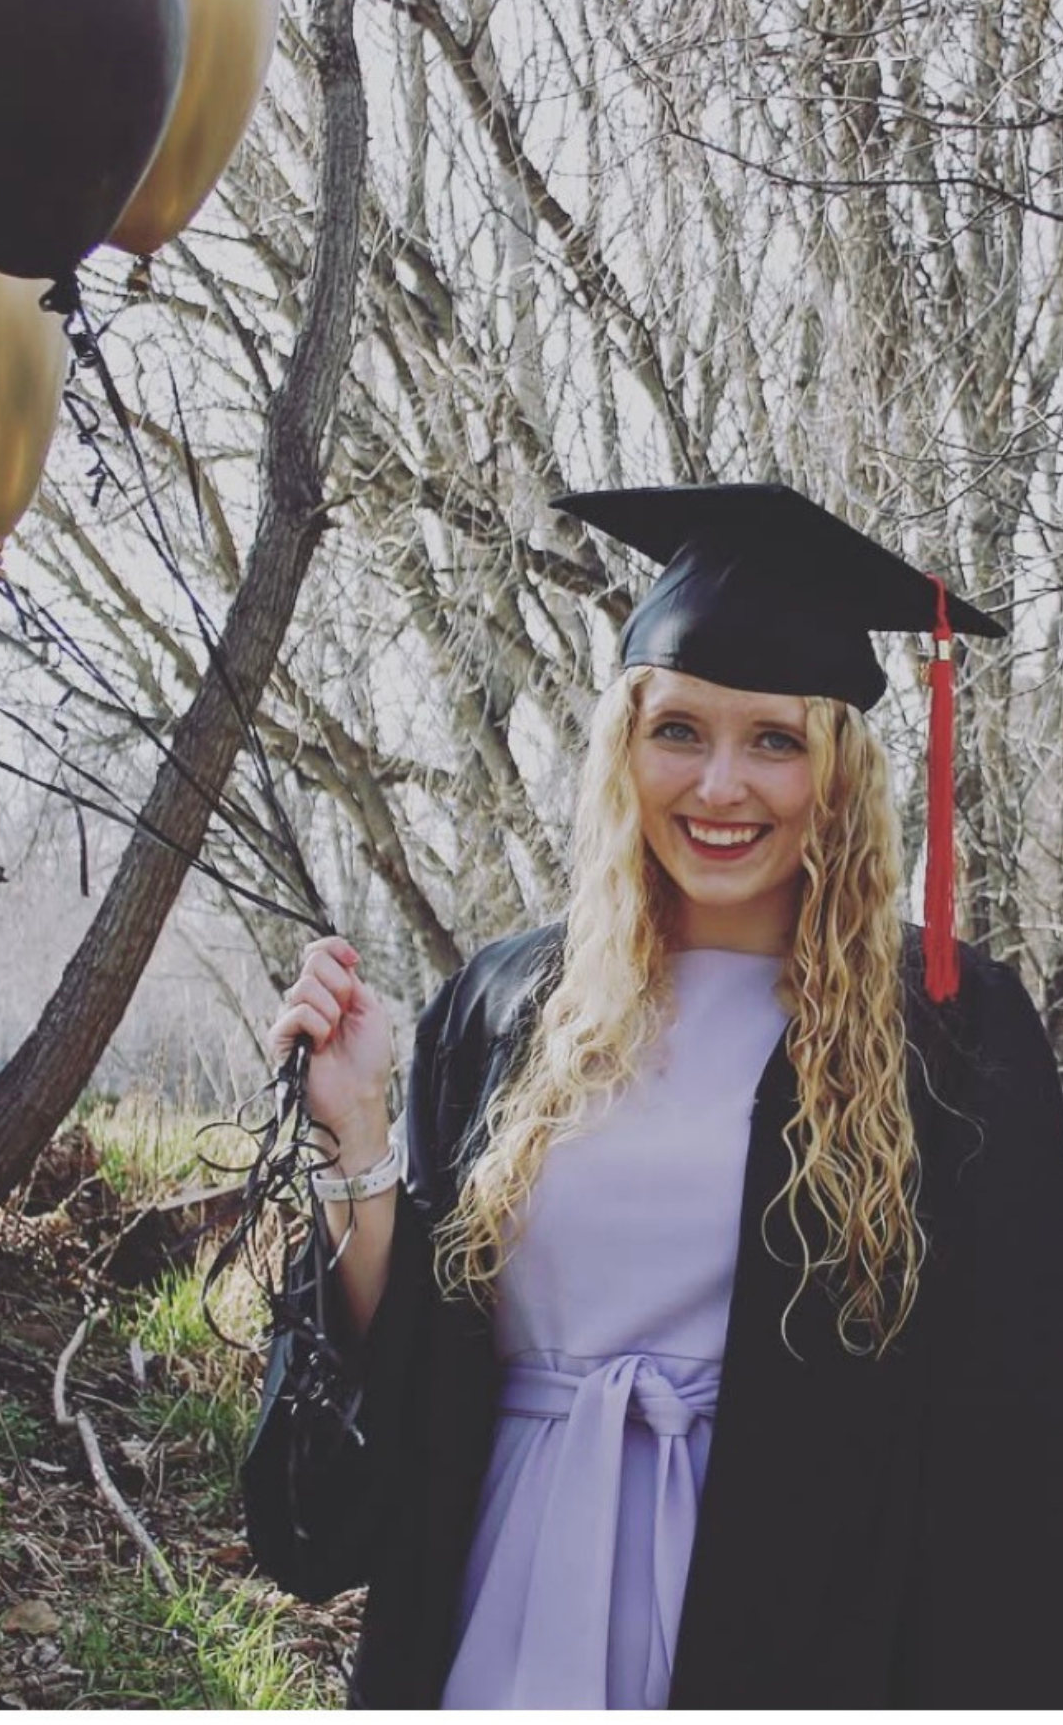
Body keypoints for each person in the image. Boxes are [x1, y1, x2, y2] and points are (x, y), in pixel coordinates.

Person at [241, 483, 1063, 1709]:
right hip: (503, 1597)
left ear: (836, 770)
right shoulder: (512, 1004)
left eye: (774, 740)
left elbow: (1003, 1424)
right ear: (625, 745)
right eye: (679, 729)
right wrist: (358, 1133)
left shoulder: (946, 1031)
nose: (720, 785)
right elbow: (412, 1374)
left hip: (795, 1622)